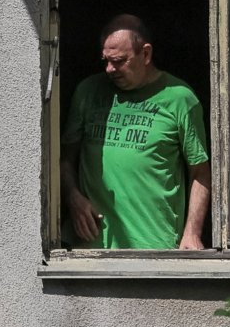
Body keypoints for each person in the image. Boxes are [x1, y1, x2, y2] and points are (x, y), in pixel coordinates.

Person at [60, 14, 210, 249]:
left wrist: (192, 232)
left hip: (154, 245)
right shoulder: (88, 92)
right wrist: (72, 197)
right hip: (92, 248)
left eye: (119, 61)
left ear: (146, 54)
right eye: (105, 60)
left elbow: (201, 172)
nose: (110, 69)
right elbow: (64, 159)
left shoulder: (180, 99)